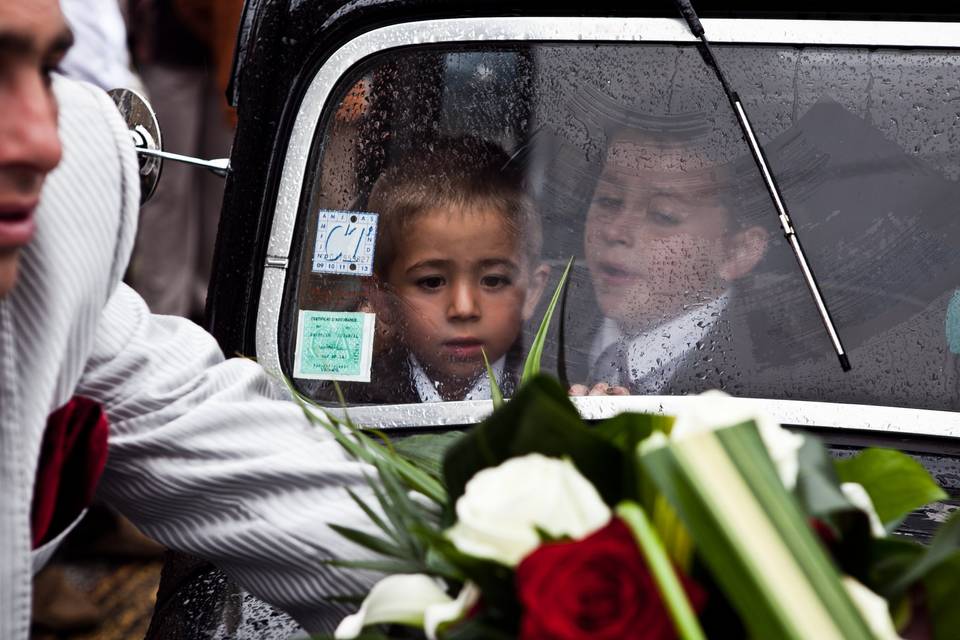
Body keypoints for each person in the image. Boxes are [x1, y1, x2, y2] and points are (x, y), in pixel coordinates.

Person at [0, 2, 373, 638]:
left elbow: (221, 447)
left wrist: (514, 573)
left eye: (48, 71)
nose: (42, 142)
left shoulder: (52, 254)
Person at [336, 138, 550, 404]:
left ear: (531, 292)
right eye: (432, 282)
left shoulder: (561, 396)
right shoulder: (346, 405)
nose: (463, 309)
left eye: (493, 281)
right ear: (382, 298)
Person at [566, 126, 769, 396]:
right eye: (608, 200)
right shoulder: (525, 323)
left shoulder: (771, 375)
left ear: (736, 251)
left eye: (664, 215)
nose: (615, 231)